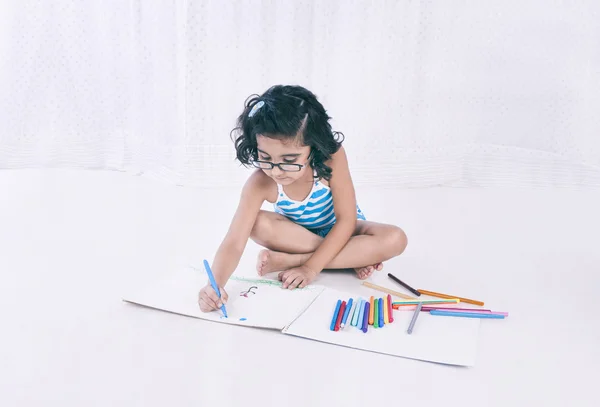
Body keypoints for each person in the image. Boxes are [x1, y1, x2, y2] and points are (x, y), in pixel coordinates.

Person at [198, 85, 407, 312]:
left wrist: (309, 268)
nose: (277, 171)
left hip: (344, 230)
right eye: (265, 158)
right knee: (255, 223)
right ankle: (351, 258)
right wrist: (214, 285)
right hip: (297, 237)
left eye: (290, 159)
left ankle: (291, 260)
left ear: (313, 146)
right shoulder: (260, 182)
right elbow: (234, 241)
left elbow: (346, 220)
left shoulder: (331, 160)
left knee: (396, 238)